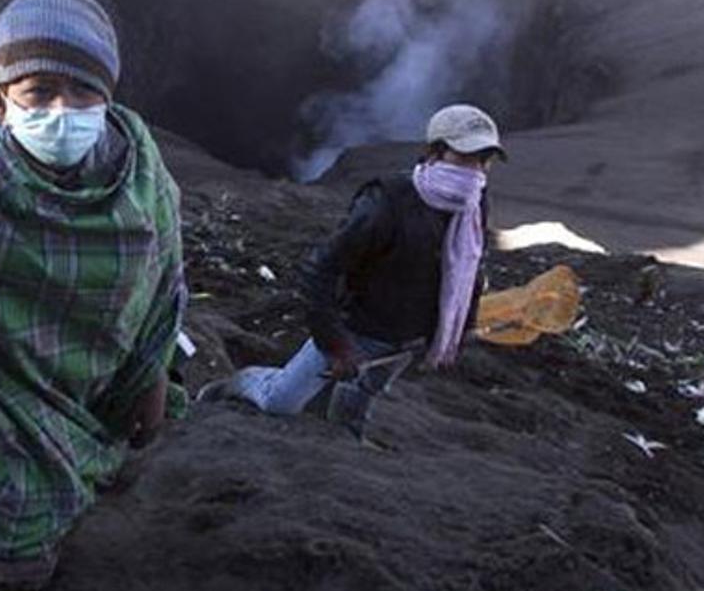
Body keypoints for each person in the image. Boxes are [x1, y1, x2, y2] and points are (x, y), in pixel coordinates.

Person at [0, 0, 186, 591]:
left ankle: (64, 445)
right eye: (39, 92)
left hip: (101, 378)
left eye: (84, 91)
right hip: (5, 390)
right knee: (17, 571)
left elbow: (161, 287)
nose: (63, 110)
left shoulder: (141, 174)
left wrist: (152, 375)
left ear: (109, 94)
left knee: (140, 444)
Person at [198, 104, 504, 443]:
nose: (476, 169)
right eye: (466, 156)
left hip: (409, 335)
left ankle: (344, 441)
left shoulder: (473, 204)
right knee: (281, 402)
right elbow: (321, 269)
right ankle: (244, 382)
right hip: (357, 327)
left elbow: (471, 267)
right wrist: (336, 344)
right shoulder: (386, 202)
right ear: (435, 151)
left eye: (484, 158)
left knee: (363, 395)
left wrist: (460, 328)